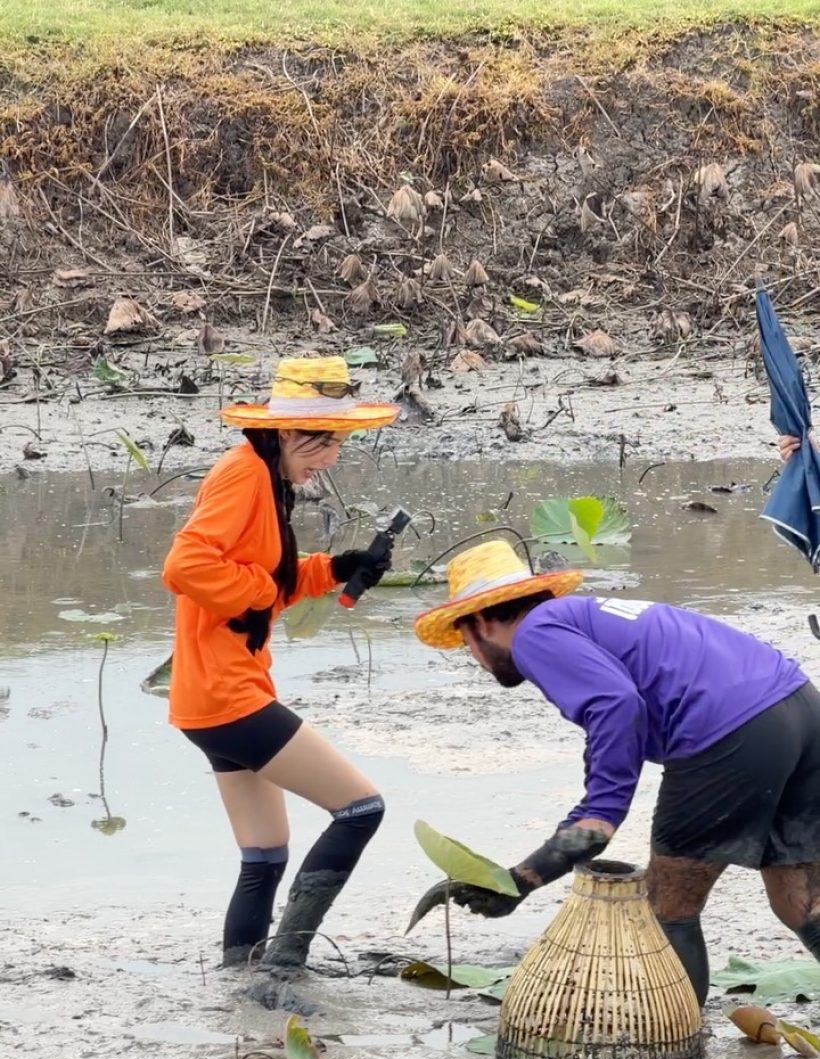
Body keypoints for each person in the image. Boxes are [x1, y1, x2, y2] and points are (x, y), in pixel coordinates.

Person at [412, 539, 820, 1007]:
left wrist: (600, 813)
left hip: (728, 730)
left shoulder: (535, 634)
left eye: (465, 642)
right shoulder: (583, 616)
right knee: (801, 904)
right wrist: (527, 878)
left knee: (668, 907)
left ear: (480, 622)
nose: (474, 657)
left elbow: (615, 704)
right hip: (801, 710)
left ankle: (681, 1045)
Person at [162, 356, 399, 1005]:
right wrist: (262, 591)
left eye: (340, 444)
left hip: (213, 696)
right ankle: (287, 961)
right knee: (361, 808)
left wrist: (340, 567)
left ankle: (240, 989)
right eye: (327, 445)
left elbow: (266, 577)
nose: (332, 460)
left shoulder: (268, 477)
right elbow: (186, 566)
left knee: (265, 854)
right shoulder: (245, 473)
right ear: (291, 433)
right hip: (227, 695)